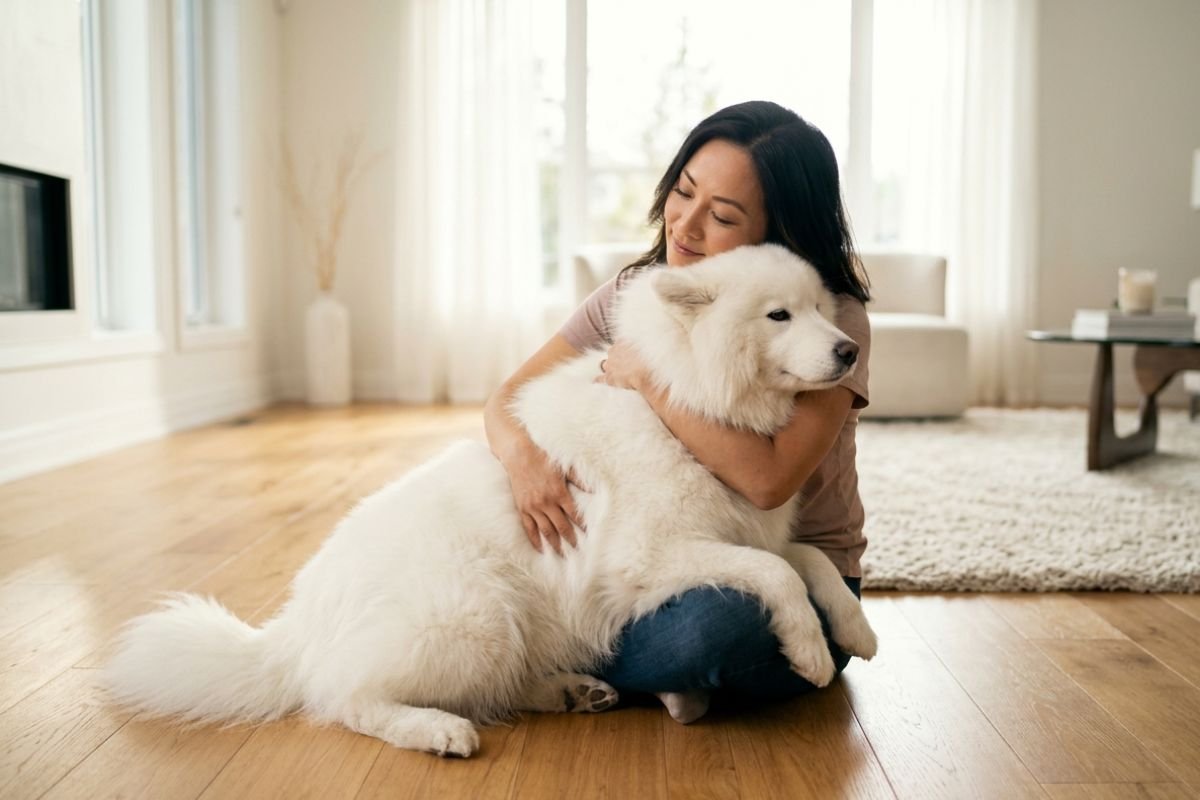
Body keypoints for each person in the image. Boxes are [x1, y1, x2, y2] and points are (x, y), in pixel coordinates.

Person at [482, 100, 872, 723]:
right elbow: (506, 397)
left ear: (778, 236)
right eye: (682, 192)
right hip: (677, 558)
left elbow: (768, 482)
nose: (685, 227)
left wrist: (647, 380)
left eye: (720, 216)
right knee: (698, 625)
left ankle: (558, 661)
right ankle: (594, 658)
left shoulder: (830, 322)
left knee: (724, 632)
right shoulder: (641, 291)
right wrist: (524, 458)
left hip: (799, 560)